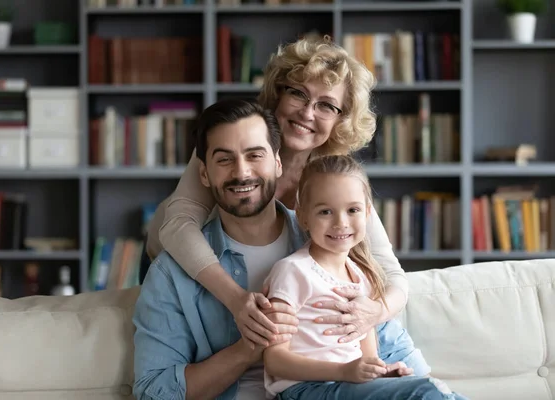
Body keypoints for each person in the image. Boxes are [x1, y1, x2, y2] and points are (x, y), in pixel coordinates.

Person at [141, 34, 410, 353]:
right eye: (298, 93)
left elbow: (391, 273)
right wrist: (235, 299)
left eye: (326, 105)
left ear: (341, 119)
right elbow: (176, 227)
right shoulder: (236, 142)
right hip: (175, 264)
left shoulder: (332, 177)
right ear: (277, 94)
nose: (308, 113)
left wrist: (375, 312)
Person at [134, 98, 308, 400]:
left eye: (255, 155)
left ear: (278, 163)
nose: (242, 173)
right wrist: (246, 350)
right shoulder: (170, 273)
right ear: (204, 174)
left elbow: (385, 349)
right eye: (225, 159)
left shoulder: (322, 244)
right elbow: (153, 392)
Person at [263, 155, 468, 400]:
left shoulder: (361, 276)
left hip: (349, 387)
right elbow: (274, 360)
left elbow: (367, 360)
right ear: (303, 215)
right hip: (306, 390)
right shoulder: (293, 271)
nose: (341, 222)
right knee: (426, 392)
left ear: (368, 213)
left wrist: (382, 377)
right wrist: (344, 371)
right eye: (325, 211)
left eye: (353, 210)